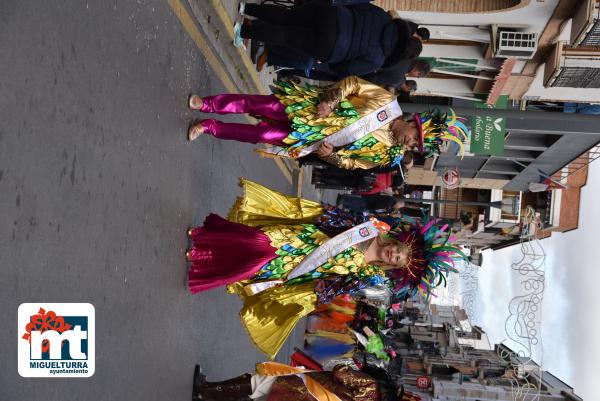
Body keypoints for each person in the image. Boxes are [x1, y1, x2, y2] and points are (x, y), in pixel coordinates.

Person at [186, 179, 464, 359]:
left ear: (395, 266)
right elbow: (339, 218)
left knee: (252, 265)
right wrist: (322, 214)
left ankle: (203, 255)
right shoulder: (372, 230)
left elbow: (338, 287)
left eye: (398, 260)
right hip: (304, 239)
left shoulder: (370, 275)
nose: (395, 255)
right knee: (257, 242)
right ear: (400, 242)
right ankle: (203, 238)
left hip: (302, 269)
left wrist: (316, 291)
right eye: (400, 251)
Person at [188, 76, 421, 170]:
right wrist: (330, 101)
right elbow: (353, 84)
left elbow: (351, 164)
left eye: (413, 146)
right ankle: (209, 104)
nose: (410, 143)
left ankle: (209, 127)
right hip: (308, 109)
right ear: (413, 123)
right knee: (257, 105)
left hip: (309, 139)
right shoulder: (388, 102)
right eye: (415, 137)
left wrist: (330, 155)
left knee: (257, 135)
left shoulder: (383, 155)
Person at [235, 2, 411, 78]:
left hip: (333, 15)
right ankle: (243, 31)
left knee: (288, 16)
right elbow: (347, 69)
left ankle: (246, 7)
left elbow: (358, 5)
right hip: (332, 46)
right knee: (286, 36)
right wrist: (331, 61)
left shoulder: (382, 16)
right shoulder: (378, 59)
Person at [192, 361, 402, 401]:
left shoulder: (371, 385)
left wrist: (346, 367)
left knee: (256, 383)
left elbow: (340, 373)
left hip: (305, 389)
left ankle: (206, 391)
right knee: (255, 395)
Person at [362, 59, 431, 88]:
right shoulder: (398, 78)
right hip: (362, 72)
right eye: (418, 76)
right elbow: (372, 79)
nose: (415, 76)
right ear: (418, 72)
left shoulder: (406, 53)